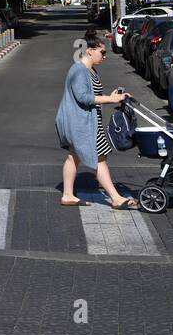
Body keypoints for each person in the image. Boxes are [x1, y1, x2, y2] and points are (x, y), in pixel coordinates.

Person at [55, 36, 135, 209]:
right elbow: (84, 98)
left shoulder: (90, 70)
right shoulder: (79, 70)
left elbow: (93, 94)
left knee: (74, 157)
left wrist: (112, 96)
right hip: (82, 124)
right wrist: (111, 99)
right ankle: (115, 197)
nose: (105, 56)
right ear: (89, 50)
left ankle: (68, 194)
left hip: (89, 122)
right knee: (99, 158)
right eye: (102, 52)